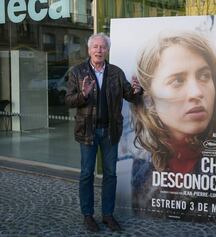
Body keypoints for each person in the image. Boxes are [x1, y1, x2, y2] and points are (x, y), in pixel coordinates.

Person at [130, 31, 216, 216]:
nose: (197, 92)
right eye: (177, 80)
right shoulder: (141, 165)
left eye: (204, 76)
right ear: (149, 96)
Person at [65, 33, 142, 232]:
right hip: (87, 131)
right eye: (95, 47)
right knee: (86, 174)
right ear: (89, 50)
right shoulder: (78, 71)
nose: (99, 50)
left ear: (107, 50)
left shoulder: (116, 72)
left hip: (110, 131)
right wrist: (83, 94)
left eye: (103, 47)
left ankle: (108, 214)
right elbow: (68, 101)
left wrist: (137, 91)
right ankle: (88, 215)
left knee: (110, 174)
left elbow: (130, 96)